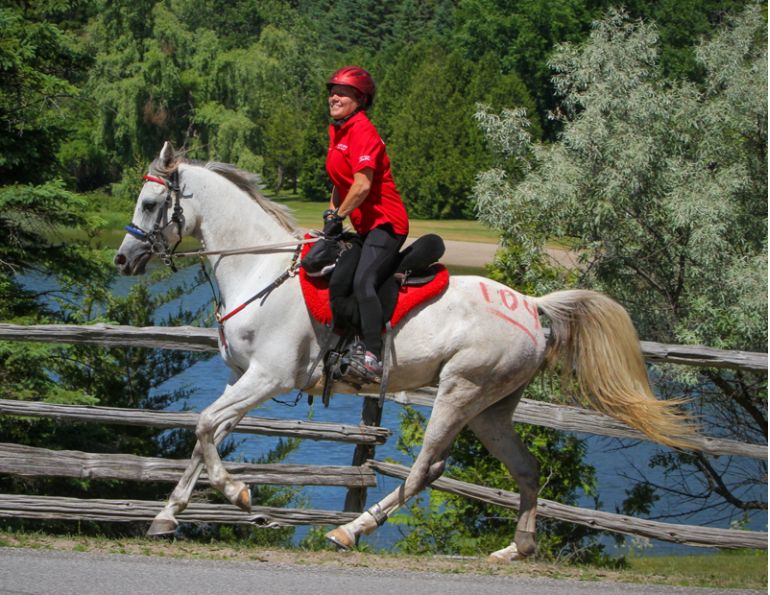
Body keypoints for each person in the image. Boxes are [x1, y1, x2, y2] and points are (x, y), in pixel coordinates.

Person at [323, 65, 409, 379]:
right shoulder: (338, 131)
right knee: (339, 278)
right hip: (364, 225)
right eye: (332, 91)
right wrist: (329, 218)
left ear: (359, 98)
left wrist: (339, 215)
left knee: (363, 282)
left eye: (342, 92)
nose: (333, 96)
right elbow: (340, 182)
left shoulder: (362, 131)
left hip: (387, 224)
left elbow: (361, 185)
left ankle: (373, 355)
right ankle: (344, 343)